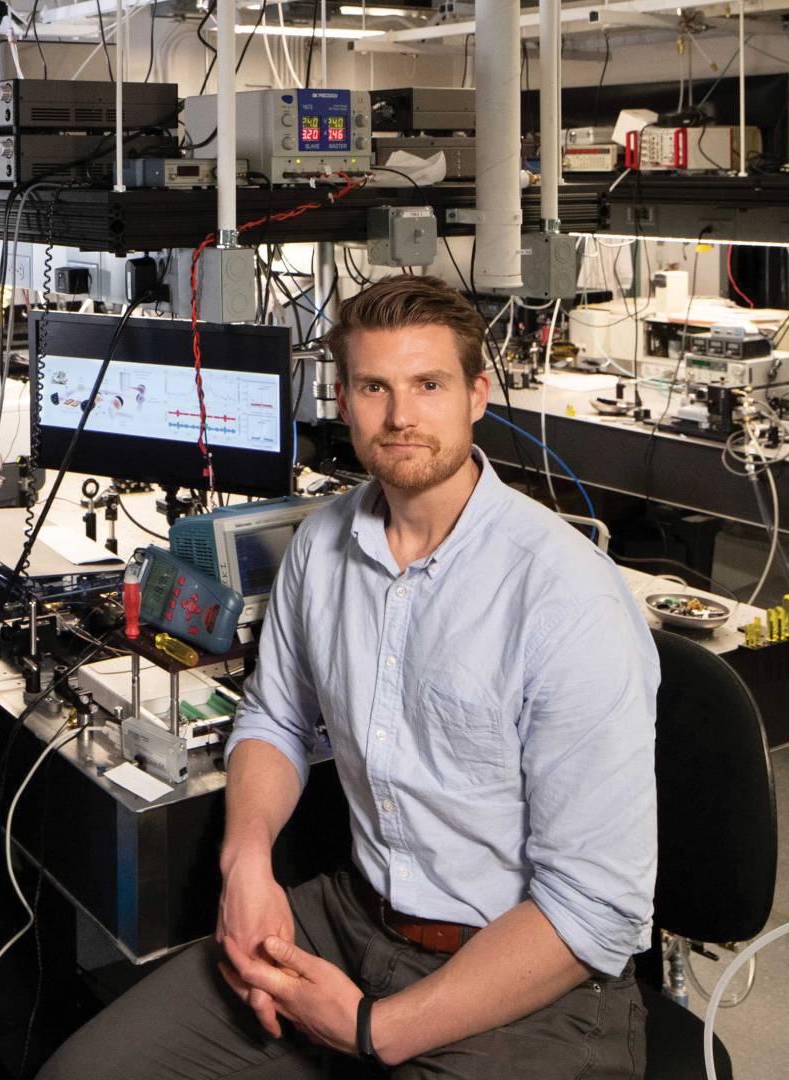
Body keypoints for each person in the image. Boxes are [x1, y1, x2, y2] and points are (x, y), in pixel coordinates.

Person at [38, 275, 658, 1079]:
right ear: (342, 399)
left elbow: (594, 908)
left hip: (526, 977)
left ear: (476, 395)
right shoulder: (322, 545)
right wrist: (247, 862)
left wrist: (375, 1029)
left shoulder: (566, 596)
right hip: (352, 922)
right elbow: (275, 719)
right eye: (374, 387)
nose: (400, 417)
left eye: (428, 385)